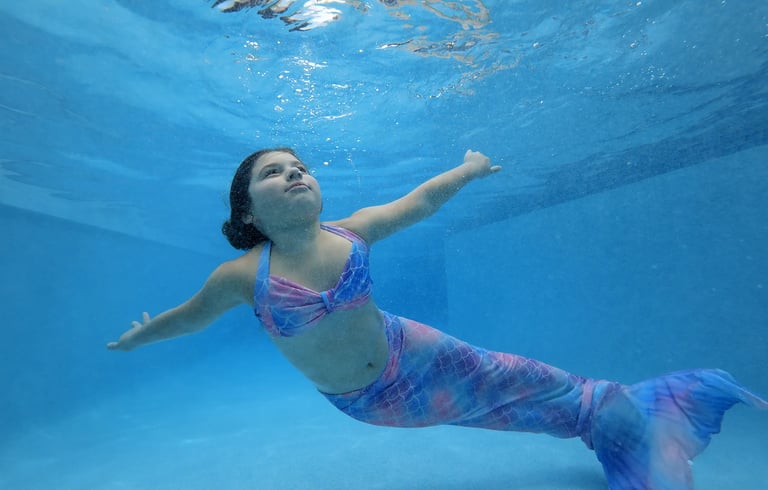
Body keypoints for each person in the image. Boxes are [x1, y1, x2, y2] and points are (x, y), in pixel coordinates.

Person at [108, 148, 767, 489]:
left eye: (300, 166)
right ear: (247, 210)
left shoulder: (352, 230)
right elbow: (190, 318)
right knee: (490, 410)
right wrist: (144, 335)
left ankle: (623, 418)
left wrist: (469, 170)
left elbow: (419, 201)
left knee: (516, 374)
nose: (295, 174)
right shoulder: (240, 276)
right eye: (274, 173)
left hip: (409, 347)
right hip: (366, 400)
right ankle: (611, 426)